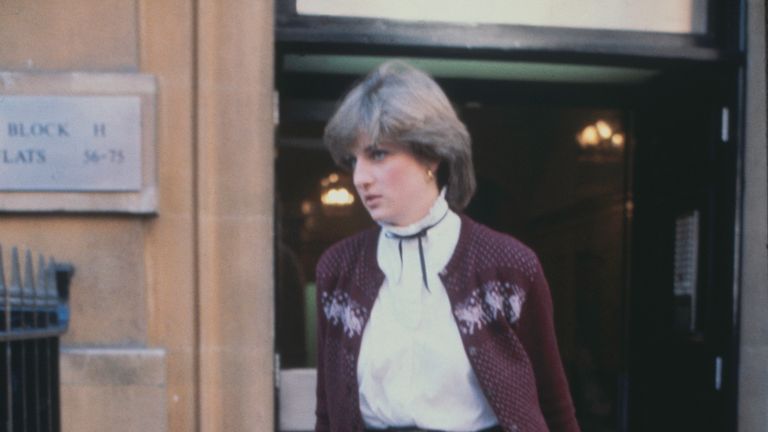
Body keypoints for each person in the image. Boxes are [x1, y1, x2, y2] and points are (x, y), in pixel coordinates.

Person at [315, 60, 580, 432]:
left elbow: (553, 403)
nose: (360, 178)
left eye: (377, 154)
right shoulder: (337, 269)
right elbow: (327, 412)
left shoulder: (508, 266)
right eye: (352, 160)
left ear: (431, 155)